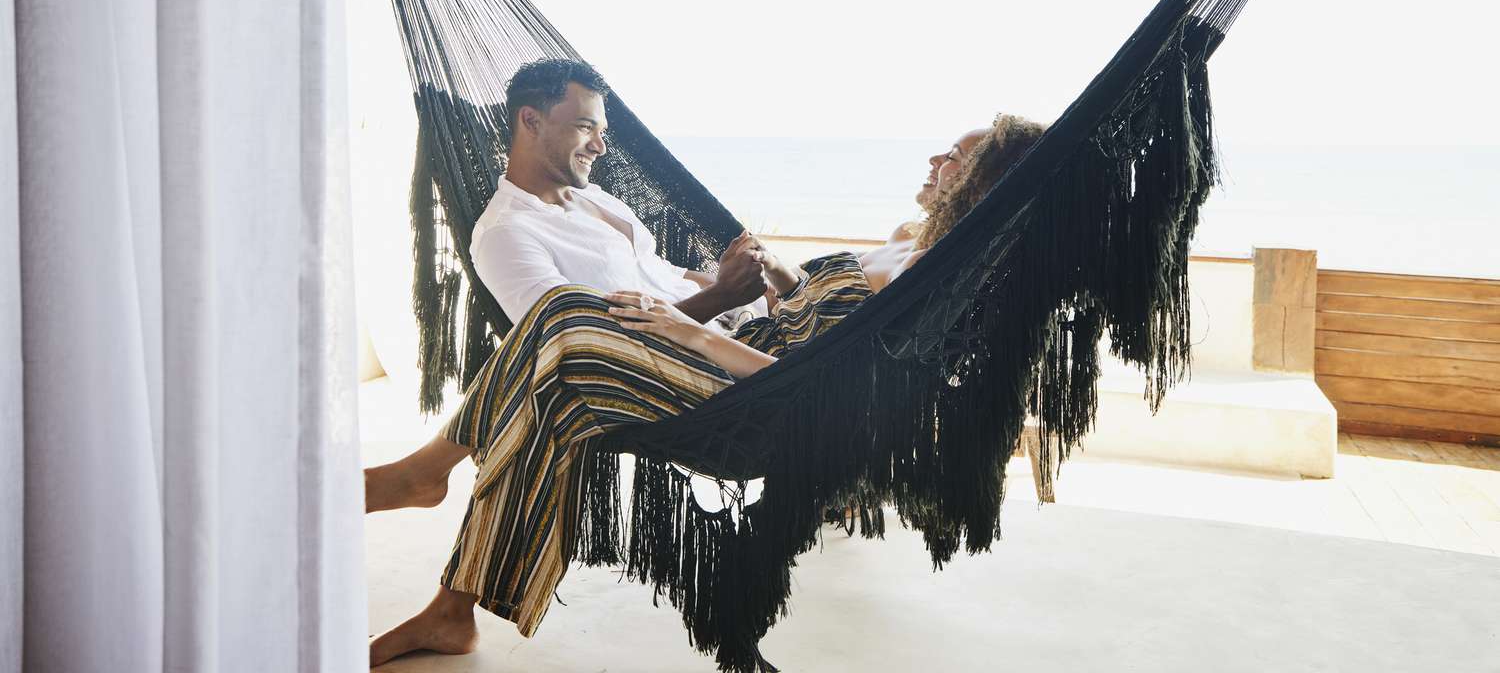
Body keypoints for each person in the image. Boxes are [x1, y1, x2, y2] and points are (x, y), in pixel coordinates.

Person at [364, 60, 1046, 666]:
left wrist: (707, 309)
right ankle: (445, 575)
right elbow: (823, 321)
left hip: (758, 398)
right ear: (530, 121)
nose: (935, 162)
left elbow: (830, 374)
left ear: (984, 181)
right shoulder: (509, 232)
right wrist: (742, 289)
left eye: (955, 159)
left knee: (561, 341)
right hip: (684, 359)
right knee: (561, 337)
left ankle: (432, 489)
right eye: (587, 127)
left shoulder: (930, 270)